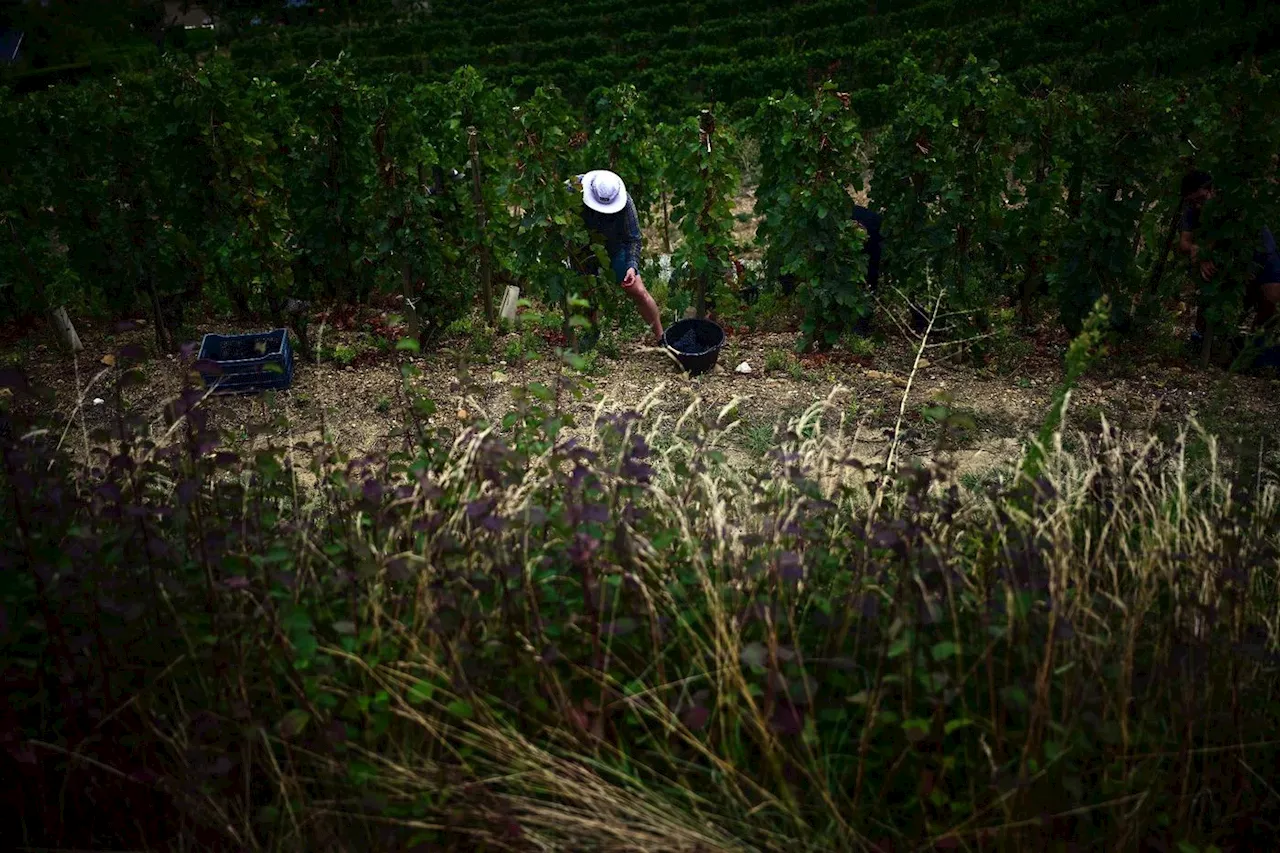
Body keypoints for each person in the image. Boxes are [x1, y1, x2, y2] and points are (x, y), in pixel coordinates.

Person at [1177, 170, 1280, 340]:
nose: (1197, 205)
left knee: (1272, 297)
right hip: (1222, 257)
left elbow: (1229, 236)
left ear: (1213, 190)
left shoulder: (1233, 201)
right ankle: (1202, 337)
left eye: (1201, 199)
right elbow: (1184, 243)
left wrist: (1204, 252)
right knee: (1210, 282)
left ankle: (1254, 346)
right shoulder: (1193, 207)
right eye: (1192, 201)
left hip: (1258, 250)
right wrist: (1198, 252)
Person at [568, 170, 664, 344]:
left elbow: (633, 238)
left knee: (639, 291)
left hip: (614, 246)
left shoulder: (625, 202)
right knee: (586, 292)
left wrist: (631, 267)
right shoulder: (572, 188)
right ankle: (591, 334)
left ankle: (662, 338)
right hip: (581, 247)